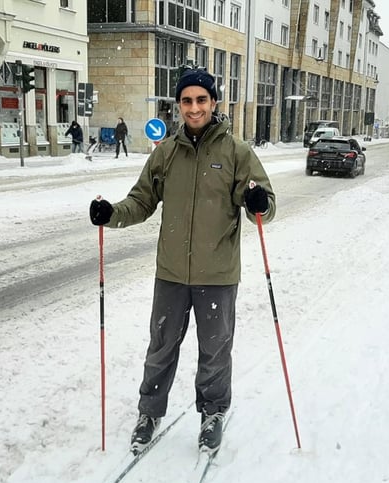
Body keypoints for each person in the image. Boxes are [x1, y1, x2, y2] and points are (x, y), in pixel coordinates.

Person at [88, 68, 276, 454]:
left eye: (201, 100)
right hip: (171, 273)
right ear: (179, 106)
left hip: (218, 275)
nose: (194, 108)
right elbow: (140, 201)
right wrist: (112, 213)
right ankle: (150, 412)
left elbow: (265, 206)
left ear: (213, 103)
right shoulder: (167, 153)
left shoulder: (237, 152)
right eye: (187, 101)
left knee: (215, 349)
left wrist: (259, 204)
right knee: (160, 347)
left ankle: (212, 413)